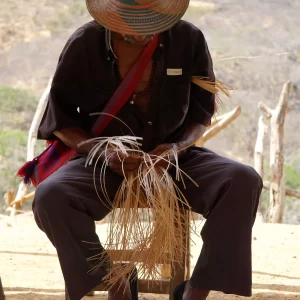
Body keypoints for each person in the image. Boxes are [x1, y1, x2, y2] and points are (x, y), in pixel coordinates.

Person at [32, 0, 263, 299]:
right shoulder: (84, 43)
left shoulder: (188, 39)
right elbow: (60, 121)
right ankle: (116, 281)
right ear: (112, 12)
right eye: (131, 21)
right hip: (103, 162)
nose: (141, 31)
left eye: (149, 21)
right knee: (50, 197)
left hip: (173, 159)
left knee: (243, 181)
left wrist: (176, 149)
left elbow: (200, 115)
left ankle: (195, 290)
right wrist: (103, 152)